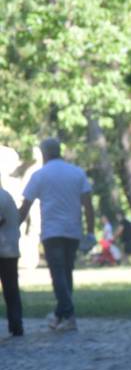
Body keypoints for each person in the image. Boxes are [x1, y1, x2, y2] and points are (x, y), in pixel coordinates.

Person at [18, 138, 95, 333]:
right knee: (66, 272)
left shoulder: (40, 175)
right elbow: (88, 205)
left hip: (52, 231)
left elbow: (25, 207)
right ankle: (60, 316)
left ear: (44, 153)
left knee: (58, 274)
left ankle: (68, 314)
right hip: (73, 231)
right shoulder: (77, 173)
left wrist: (11, 226)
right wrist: (91, 231)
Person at [0, 182, 24, 337]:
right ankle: (16, 325)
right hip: (9, 249)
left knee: (11, 290)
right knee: (11, 290)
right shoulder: (6, 195)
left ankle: (16, 325)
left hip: (3, 249)